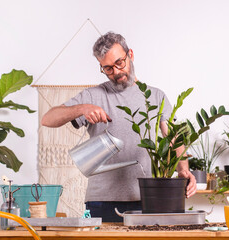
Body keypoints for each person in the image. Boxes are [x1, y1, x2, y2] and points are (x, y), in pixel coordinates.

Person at [41, 32, 196, 222]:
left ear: (130, 54)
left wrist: (183, 169)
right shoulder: (94, 96)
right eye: (107, 68)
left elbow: (173, 137)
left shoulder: (155, 97)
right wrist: (82, 108)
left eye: (119, 63)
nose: (116, 72)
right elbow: (47, 119)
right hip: (102, 201)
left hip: (149, 199)